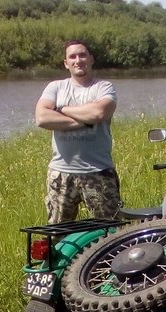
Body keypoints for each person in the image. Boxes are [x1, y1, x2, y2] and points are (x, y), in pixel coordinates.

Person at [35, 39, 122, 224]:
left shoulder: (103, 87)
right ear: (66, 63)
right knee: (57, 234)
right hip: (60, 173)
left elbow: (99, 112)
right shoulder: (56, 87)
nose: (78, 60)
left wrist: (62, 109)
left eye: (82, 55)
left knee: (111, 232)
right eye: (72, 56)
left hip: (98, 172)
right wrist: (84, 121)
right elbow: (42, 118)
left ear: (91, 59)